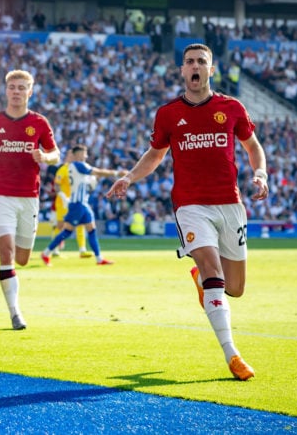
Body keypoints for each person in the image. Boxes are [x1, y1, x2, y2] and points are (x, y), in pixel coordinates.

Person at [106, 43, 268, 381]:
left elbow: (252, 145)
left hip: (230, 205)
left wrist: (260, 172)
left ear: (211, 69)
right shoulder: (168, 114)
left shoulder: (232, 107)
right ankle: (232, 354)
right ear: (182, 70)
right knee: (211, 266)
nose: (195, 66)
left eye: (201, 62)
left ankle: (201, 281)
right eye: (189, 62)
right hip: (190, 204)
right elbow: (155, 154)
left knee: (234, 288)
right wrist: (129, 177)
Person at [0, 69, 60, 330]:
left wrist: (45, 158)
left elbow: (56, 153)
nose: (17, 91)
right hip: (0, 194)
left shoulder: (40, 123)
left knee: (22, 258)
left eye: (22, 87)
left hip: (28, 197)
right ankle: (15, 313)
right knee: (9, 257)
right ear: (6, 90)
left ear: (29, 92)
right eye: (12, 87)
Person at [41, 144, 126, 267]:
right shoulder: (79, 165)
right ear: (78, 154)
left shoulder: (73, 167)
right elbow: (98, 171)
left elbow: (89, 183)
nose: (86, 155)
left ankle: (99, 258)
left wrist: (93, 181)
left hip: (82, 203)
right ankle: (46, 252)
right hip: (77, 204)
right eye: (84, 153)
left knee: (91, 229)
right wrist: (117, 173)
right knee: (67, 231)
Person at [52, 148, 92, 258]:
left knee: (80, 225)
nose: (71, 157)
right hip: (63, 202)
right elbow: (56, 184)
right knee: (60, 225)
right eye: (70, 155)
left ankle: (82, 250)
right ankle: (55, 249)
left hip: (76, 201)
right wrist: (62, 196)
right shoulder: (63, 169)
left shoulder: (80, 167)